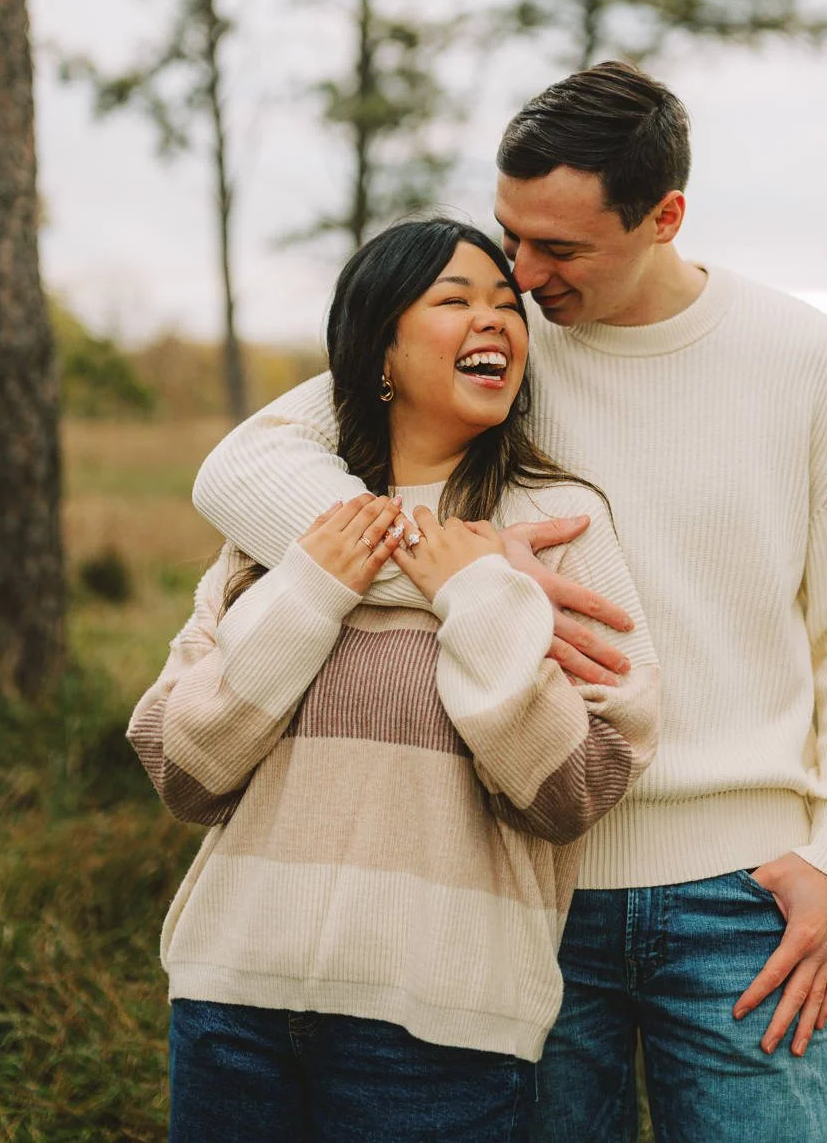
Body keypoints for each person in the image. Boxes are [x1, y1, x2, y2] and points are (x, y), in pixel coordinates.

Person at [191, 62, 827, 1142]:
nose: (522, 274)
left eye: (560, 249)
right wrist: (452, 565)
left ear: (664, 217)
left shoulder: (800, 354)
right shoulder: (494, 350)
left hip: (745, 895)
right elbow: (240, 474)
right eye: (509, 234)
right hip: (523, 878)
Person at [128, 218, 660, 1143]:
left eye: (508, 307)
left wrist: (480, 596)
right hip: (233, 999)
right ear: (380, 347)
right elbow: (185, 770)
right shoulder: (288, 526)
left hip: (443, 1026)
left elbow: (578, 786)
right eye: (454, 301)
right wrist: (311, 591)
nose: (495, 321)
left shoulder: (558, 526)